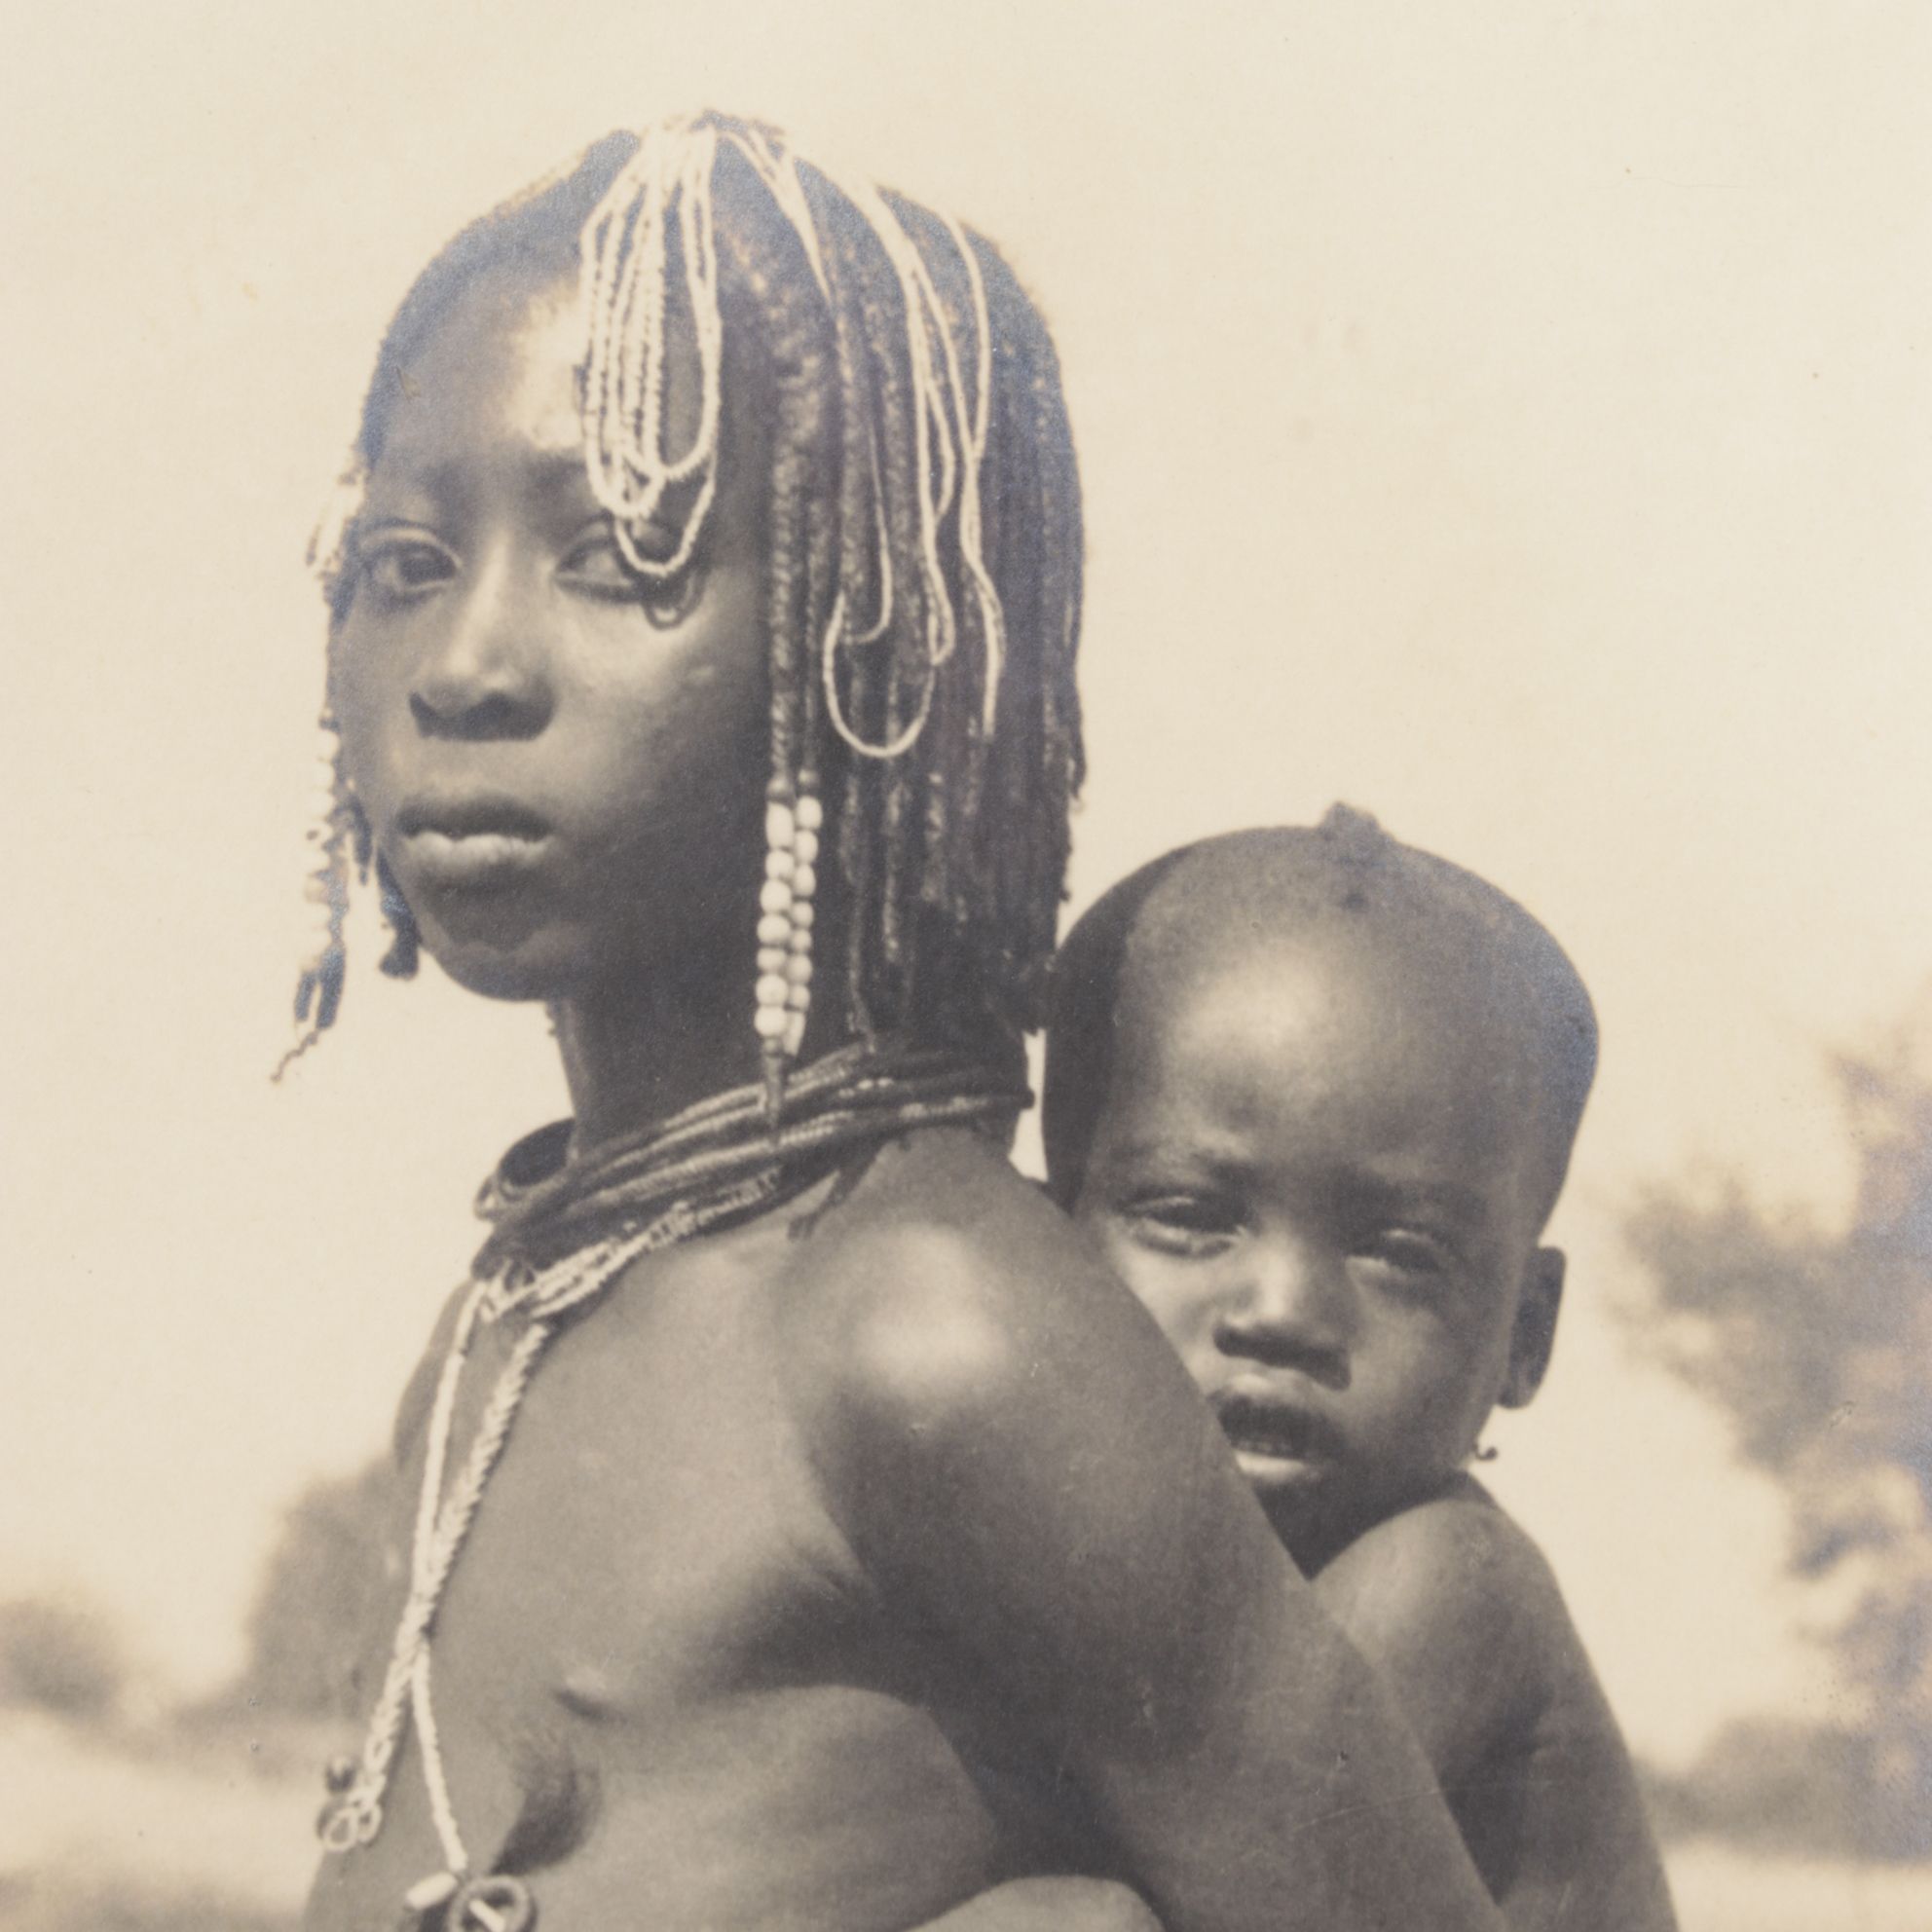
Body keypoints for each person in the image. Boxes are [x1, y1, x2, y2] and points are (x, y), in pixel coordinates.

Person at [293, 117, 1505, 1932]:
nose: (465, 665)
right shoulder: (507, 1319)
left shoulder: (931, 1323)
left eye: (623, 561)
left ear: (879, 655)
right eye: (402, 559)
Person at [1021, 808, 1678, 1932]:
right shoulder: (1123, 1592)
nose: (1282, 1312)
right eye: (1191, 1217)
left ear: (1525, 1332)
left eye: (1399, 1253)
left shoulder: (1444, 1581)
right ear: (1039, 1252)